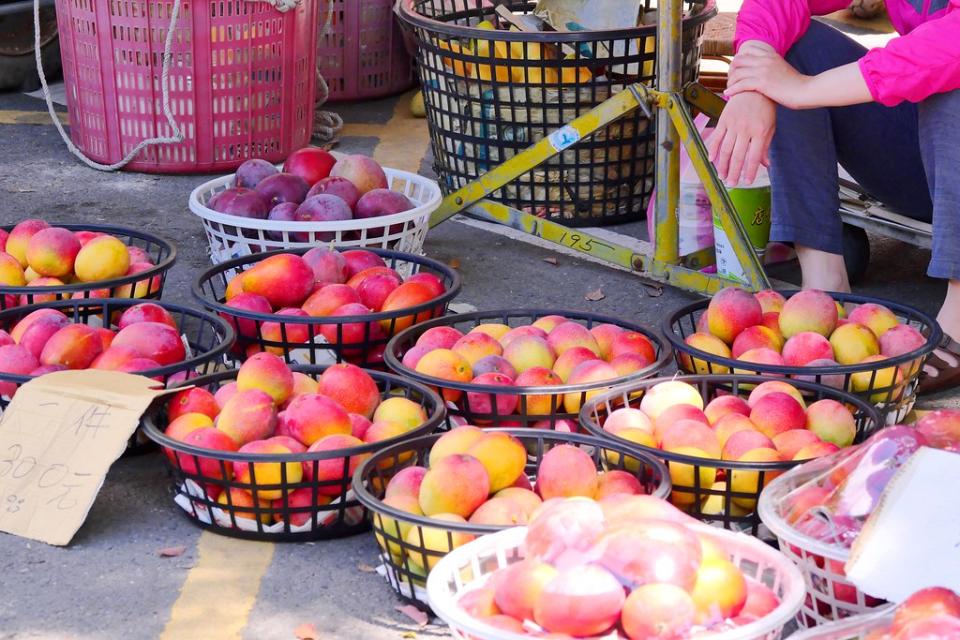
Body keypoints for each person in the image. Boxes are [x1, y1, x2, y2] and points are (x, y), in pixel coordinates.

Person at [707, 0, 960, 392]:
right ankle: (824, 286)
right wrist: (752, 85)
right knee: (789, 46)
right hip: (930, 162)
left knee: (952, 83)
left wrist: (802, 89)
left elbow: (948, 47)